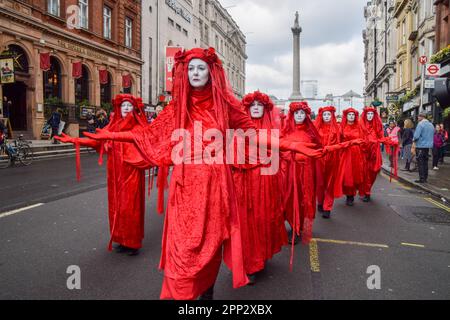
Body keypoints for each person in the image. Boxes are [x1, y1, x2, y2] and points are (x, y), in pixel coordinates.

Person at [83, 48, 321, 300]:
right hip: (184, 186)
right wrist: (107, 135)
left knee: (211, 243)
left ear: (211, 72)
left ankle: (206, 292)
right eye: (191, 68)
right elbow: (146, 135)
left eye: (201, 68)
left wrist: (289, 145)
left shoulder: (226, 104)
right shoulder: (177, 106)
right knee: (183, 247)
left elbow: (255, 134)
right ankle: (185, 292)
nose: (195, 73)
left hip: (215, 185)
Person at [56, 94, 149, 256]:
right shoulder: (113, 125)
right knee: (116, 207)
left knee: (130, 207)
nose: (126, 108)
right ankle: (121, 239)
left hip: (131, 172)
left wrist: (111, 136)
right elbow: (96, 140)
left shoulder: (138, 126)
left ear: (134, 108)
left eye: (129, 105)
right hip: (115, 173)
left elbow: (135, 138)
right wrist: (74, 140)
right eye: (123, 105)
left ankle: (133, 242)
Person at [232, 91, 288, 285]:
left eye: (259, 105)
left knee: (263, 220)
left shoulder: (272, 131)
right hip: (243, 182)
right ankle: (250, 263)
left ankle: (260, 255)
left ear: (265, 108)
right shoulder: (237, 129)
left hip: (265, 182)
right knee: (245, 224)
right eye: (252, 104)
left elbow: (278, 159)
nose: (255, 107)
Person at [281, 101, 323, 247]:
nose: (299, 115)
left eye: (302, 113)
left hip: (305, 173)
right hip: (287, 172)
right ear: (292, 115)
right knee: (287, 199)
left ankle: (297, 229)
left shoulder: (311, 133)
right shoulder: (285, 131)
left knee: (302, 199)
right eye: (296, 113)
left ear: (306, 115)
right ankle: (292, 224)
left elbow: (319, 149)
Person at [340, 108, 367, 206]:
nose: (351, 116)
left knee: (355, 174)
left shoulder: (359, 127)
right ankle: (348, 195)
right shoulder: (342, 127)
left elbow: (363, 140)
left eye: (352, 115)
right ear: (346, 116)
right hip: (346, 153)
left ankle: (351, 195)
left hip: (356, 153)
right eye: (349, 114)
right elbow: (339, 141)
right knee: (347, 174)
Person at [359, 107, 384, 202]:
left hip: (374, 154)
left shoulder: (377, 125)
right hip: (364, 153)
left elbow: (381, 137)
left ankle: (367, 191)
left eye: (371, 114)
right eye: (368, 114)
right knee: (365, 174)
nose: (370, 116)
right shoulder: (361, 125)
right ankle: (366, 192)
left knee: (373, 173)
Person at [413, 112, 434, 183]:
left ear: (422, 117)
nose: (417, 118)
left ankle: (422, 178)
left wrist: (413, 140)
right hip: (428, 147)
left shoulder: (420, 124)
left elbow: (416, 136)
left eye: (418, 117)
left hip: (420, 146)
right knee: (425, 162)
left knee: (420, 163)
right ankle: (425, 178)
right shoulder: (431, 125)